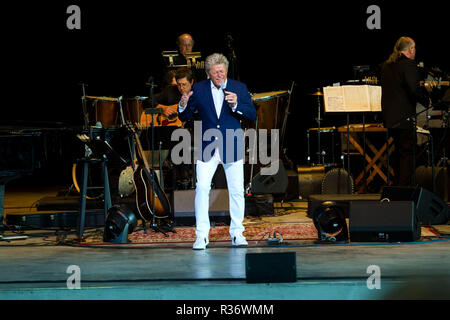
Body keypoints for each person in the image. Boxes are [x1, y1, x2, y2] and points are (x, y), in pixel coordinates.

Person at [177, 53, 256, 250]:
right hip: (208, 146)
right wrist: (183, 104)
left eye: (222, 71)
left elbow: (252, 113)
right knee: (202, 188)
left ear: (226, 70)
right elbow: (186, 115)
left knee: (237, 190)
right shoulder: (200, 89)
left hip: (232, 143)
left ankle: (237, 232)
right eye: (215, 72)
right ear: (208, 74)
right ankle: (201, 235)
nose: (219, 75)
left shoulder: (239, 87)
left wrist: (237, 104)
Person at [381, 36, 430, 186]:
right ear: (410, 49)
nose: (415, 51)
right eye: (414, 48)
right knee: (407, 155)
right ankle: (404, 190)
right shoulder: (408, 64)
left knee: (399, 153)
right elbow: (413, 89)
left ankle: (397, 186)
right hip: (404, 118)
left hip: (390, 117)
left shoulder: (386, 66)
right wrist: (427, 99)